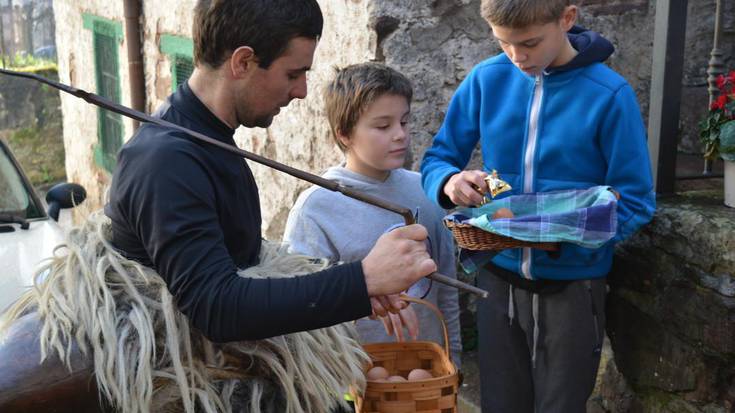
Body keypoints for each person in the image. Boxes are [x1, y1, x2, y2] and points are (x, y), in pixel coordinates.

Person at [105, 0, 436, 345]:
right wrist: (363, 279)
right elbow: (216, 308)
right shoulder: (167, 161)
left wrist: (353, 291)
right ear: (243, 62)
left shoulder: (208, 140)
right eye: (293, 74)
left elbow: (244, 267)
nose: (301, 91)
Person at [420, 1, 656, 412]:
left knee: (560, 405)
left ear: (567, 18)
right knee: (501, 402)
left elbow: (635, 199)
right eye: (503, 43)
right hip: (496, 277)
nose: (516, 56)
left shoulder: (609, 94)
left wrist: (570, 240)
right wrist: (452, 182)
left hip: (574, 285)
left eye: (528, 43)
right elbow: (438, 159)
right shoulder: (486, 79)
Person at [284, 63, 462, 366]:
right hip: (359, 374)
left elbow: (446, 283)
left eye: (404, 122)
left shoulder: (423, 190)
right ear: (344, 134)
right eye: (383, 126)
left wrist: (453, 357)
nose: (400, 136)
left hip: (429, 367)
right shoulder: (316, 209)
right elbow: (304, 307)